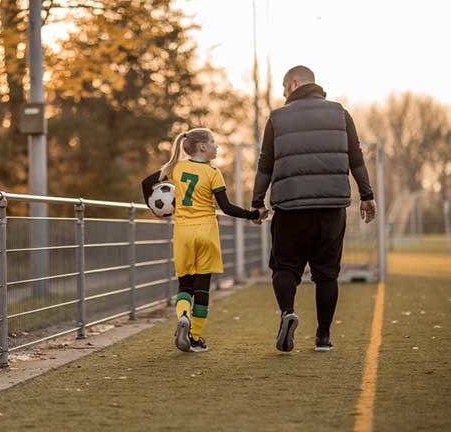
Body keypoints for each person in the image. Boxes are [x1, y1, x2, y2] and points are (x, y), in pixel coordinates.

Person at [250, 65, 377, 353]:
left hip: (290, 207)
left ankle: (287, 313)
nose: (283, 95)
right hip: (331, 208)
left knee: (285, 267)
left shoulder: (277, 118)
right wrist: (367, 195)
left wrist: (257, 202)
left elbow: (265, 164)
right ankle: (323, 337)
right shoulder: (340, 113)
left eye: (284, 88)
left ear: (294, 83)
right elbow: (356, 158)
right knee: (327, 274)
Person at [142, 128, 260, 352]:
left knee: (185, 284)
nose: (217, 146)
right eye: (213, 142)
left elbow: (146, 185)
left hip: (183, 233)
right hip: (206, 232)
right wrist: (252, 215)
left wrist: (155, 209)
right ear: (203, 147)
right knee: (203, 288)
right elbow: (226, 207)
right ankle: (195, 336)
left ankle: (183, 316)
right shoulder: (213, 172)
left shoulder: (176, 167)